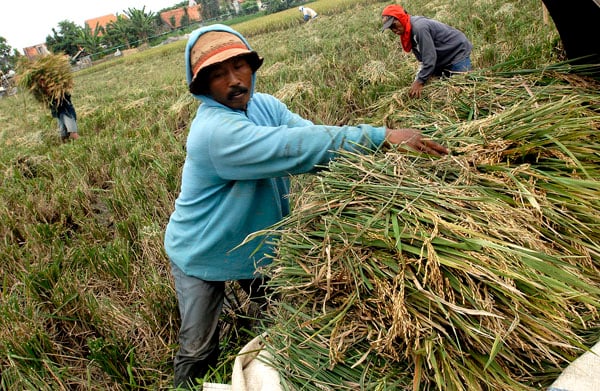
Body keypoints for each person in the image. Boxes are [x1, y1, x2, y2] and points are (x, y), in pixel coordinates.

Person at [164, 23, 448, 389]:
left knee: (280, 317)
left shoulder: (265, 106)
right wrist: (381, 138)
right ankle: (185, 383)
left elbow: (309, 134)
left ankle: (274, 366)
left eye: (240, 67)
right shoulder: (214, 132)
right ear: (201, 87)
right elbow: (295, 148)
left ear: (253, 66)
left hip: (255, 243)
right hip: (201, 250)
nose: (234, 80)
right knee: (198, 345)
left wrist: (370, 169)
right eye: (218, 75)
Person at [381, 4, 473, 98]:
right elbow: (423, 59)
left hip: (457, 51)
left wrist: (420, 81)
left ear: (401, 18)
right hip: (442, 56)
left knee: (464, 90)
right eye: (391, 28)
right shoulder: (408, 31)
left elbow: (430, 58)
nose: (394, 30)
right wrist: (417, 80)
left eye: (394, 25)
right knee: (439, 89)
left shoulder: (419, 28)